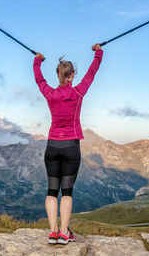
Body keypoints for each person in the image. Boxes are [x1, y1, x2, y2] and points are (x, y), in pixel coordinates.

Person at [33, 43, 103, 245]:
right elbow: (92, 72)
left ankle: (53, 232)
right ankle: (64, 233)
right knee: (67, 191)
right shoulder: (79, 92)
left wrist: (37, 61)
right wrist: (98, 52)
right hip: (71, 146)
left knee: (51, 190)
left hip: (52, 146)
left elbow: (39, 79)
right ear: (72, 75)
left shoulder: (49, 93)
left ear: (58, 76)